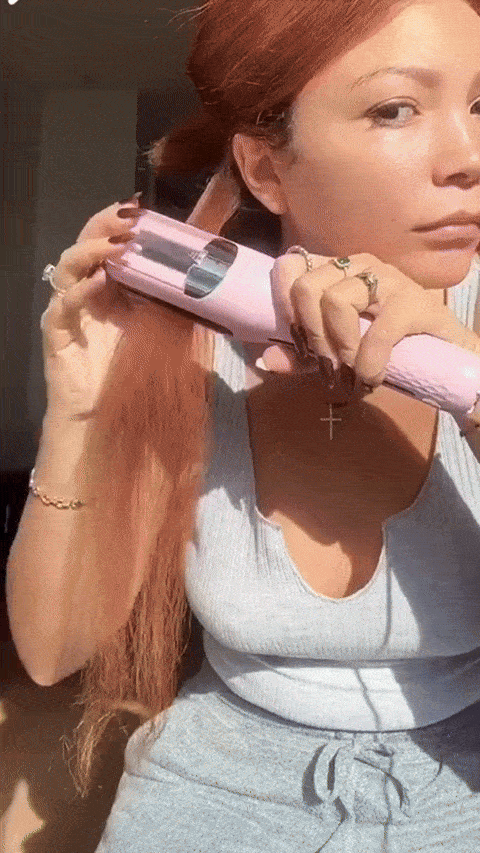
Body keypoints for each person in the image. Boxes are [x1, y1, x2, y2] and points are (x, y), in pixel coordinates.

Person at [6, 0, 480, 848]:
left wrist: (468, 382)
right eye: (395, 109)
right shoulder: (195, 354)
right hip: (217, 784)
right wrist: (79, 412)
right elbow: (53, 651)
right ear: (266, 169)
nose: (469, 156)